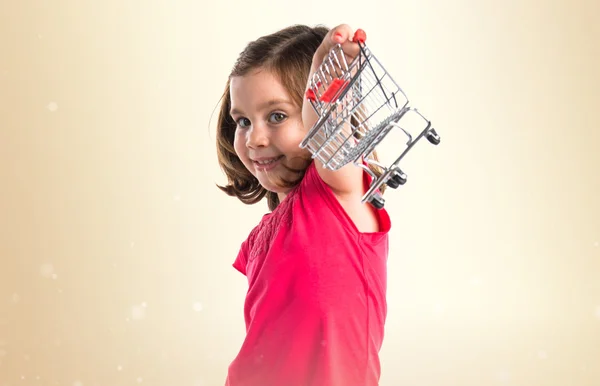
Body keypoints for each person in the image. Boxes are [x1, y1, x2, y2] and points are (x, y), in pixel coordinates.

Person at [216, 23, 392, 386]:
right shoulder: (261, 237)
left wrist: (323, 101)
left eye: (277, 116)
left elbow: (332, 142)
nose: (255, 138)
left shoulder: (340, 193)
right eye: (243, 121)